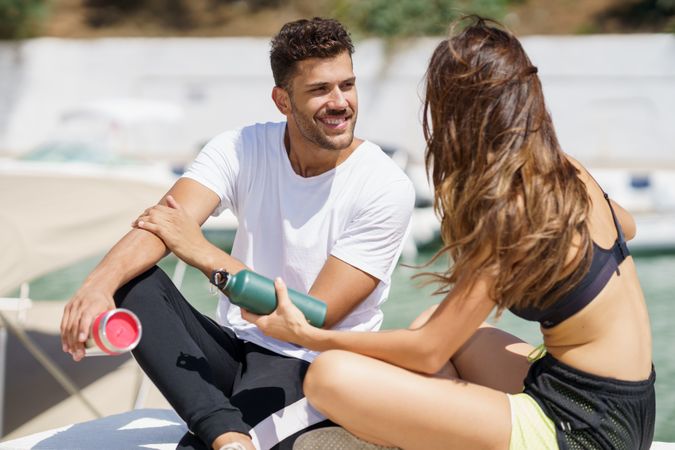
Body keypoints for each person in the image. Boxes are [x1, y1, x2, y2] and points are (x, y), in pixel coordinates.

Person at [245, 16, 656, 450]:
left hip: (581, 433)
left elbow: (427, 353)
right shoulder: (563, 169)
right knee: (442, 328)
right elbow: (624, 224)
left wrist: (309, 337)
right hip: (625, 405)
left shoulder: (512, 214)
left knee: (329, 376)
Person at [60, 17, 415, 450]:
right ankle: (226, 433)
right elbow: (161, 224)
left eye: (347, 85)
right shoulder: (241, 148)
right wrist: (96, 287)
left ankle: (220, 433)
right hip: (237, 347)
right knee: (132, 279)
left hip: (315, 363)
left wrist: (207, 256)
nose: (340, 102)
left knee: (200, 444)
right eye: (320, 90)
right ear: (282, 100)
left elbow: (316, 315)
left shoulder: (384, 185)